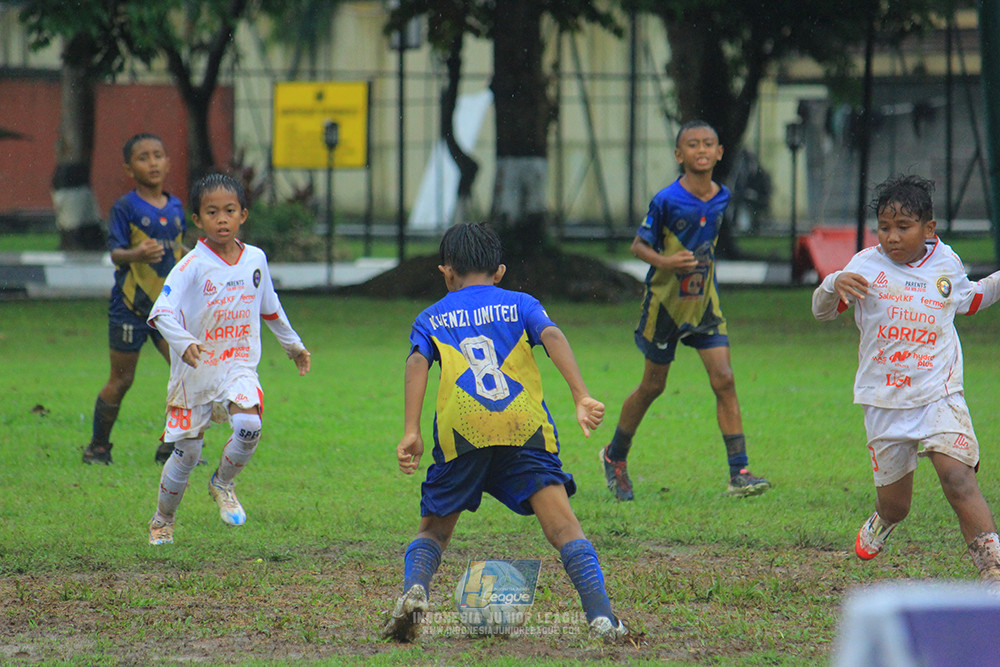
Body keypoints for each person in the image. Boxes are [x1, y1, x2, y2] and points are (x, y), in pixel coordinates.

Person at [380, 222, 628, 642]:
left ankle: (415, 591)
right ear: (499, 272)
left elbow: (417, 363)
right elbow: (552, 335)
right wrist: (581, 394)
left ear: (446, 273)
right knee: (565, 529)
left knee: (433, 531)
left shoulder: (430, 316)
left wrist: (411, 430)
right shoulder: (522, 303)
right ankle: (601, 617)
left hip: (462, 430)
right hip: (522, 425)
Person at [812, 174, 1000, 580]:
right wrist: (832, 283)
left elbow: (971, 300)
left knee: (957, 479)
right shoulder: (864, 266)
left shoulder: (946, 262)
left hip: (939, 394)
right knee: (897, 504)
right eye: (884, 228)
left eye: (903, 227)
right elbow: (823, 311)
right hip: (885, 401)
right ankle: (885, 519)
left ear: (928, 229)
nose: (892, 237)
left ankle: (992, 572)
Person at [600, 120, 770, 501]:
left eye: (709, 144)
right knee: (652, 386)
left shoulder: (723, 196)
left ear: (720, 152)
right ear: (680, 155)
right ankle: (614, 456)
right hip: (666, 306)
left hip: (705, 305)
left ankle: (739, 472)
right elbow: (638, 247)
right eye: (692, 145)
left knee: (724, 378)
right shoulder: (666, 200)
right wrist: (667, 261)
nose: (702, 150)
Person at [145, 173, 311, 546]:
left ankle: (222, 483)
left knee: (249, 425)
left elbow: (271, 309)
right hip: (195, 373)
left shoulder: (255, 260)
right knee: (187, 453)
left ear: (243, 215)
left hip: (238, 366)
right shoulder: (191, 265)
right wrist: (184, 341)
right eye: (212, 211)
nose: (222, 219)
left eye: (229, 210)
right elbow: (160, 312)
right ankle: (162, 520)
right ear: (198, 220)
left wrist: (294, 346)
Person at [83, 133, 188, 465]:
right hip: (130, 307)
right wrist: (137, 253)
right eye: (144, 157)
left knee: (186, 372)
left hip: (166, 309)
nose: (153, 162)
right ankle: (98, 447)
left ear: (168, 162)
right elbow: (115, 253)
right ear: (129, 168)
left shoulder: (175, 207)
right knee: (122, 379)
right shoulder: (125, 207)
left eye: (158, 155)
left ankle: (173, 447)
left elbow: (177, 249)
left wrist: (201, 260)